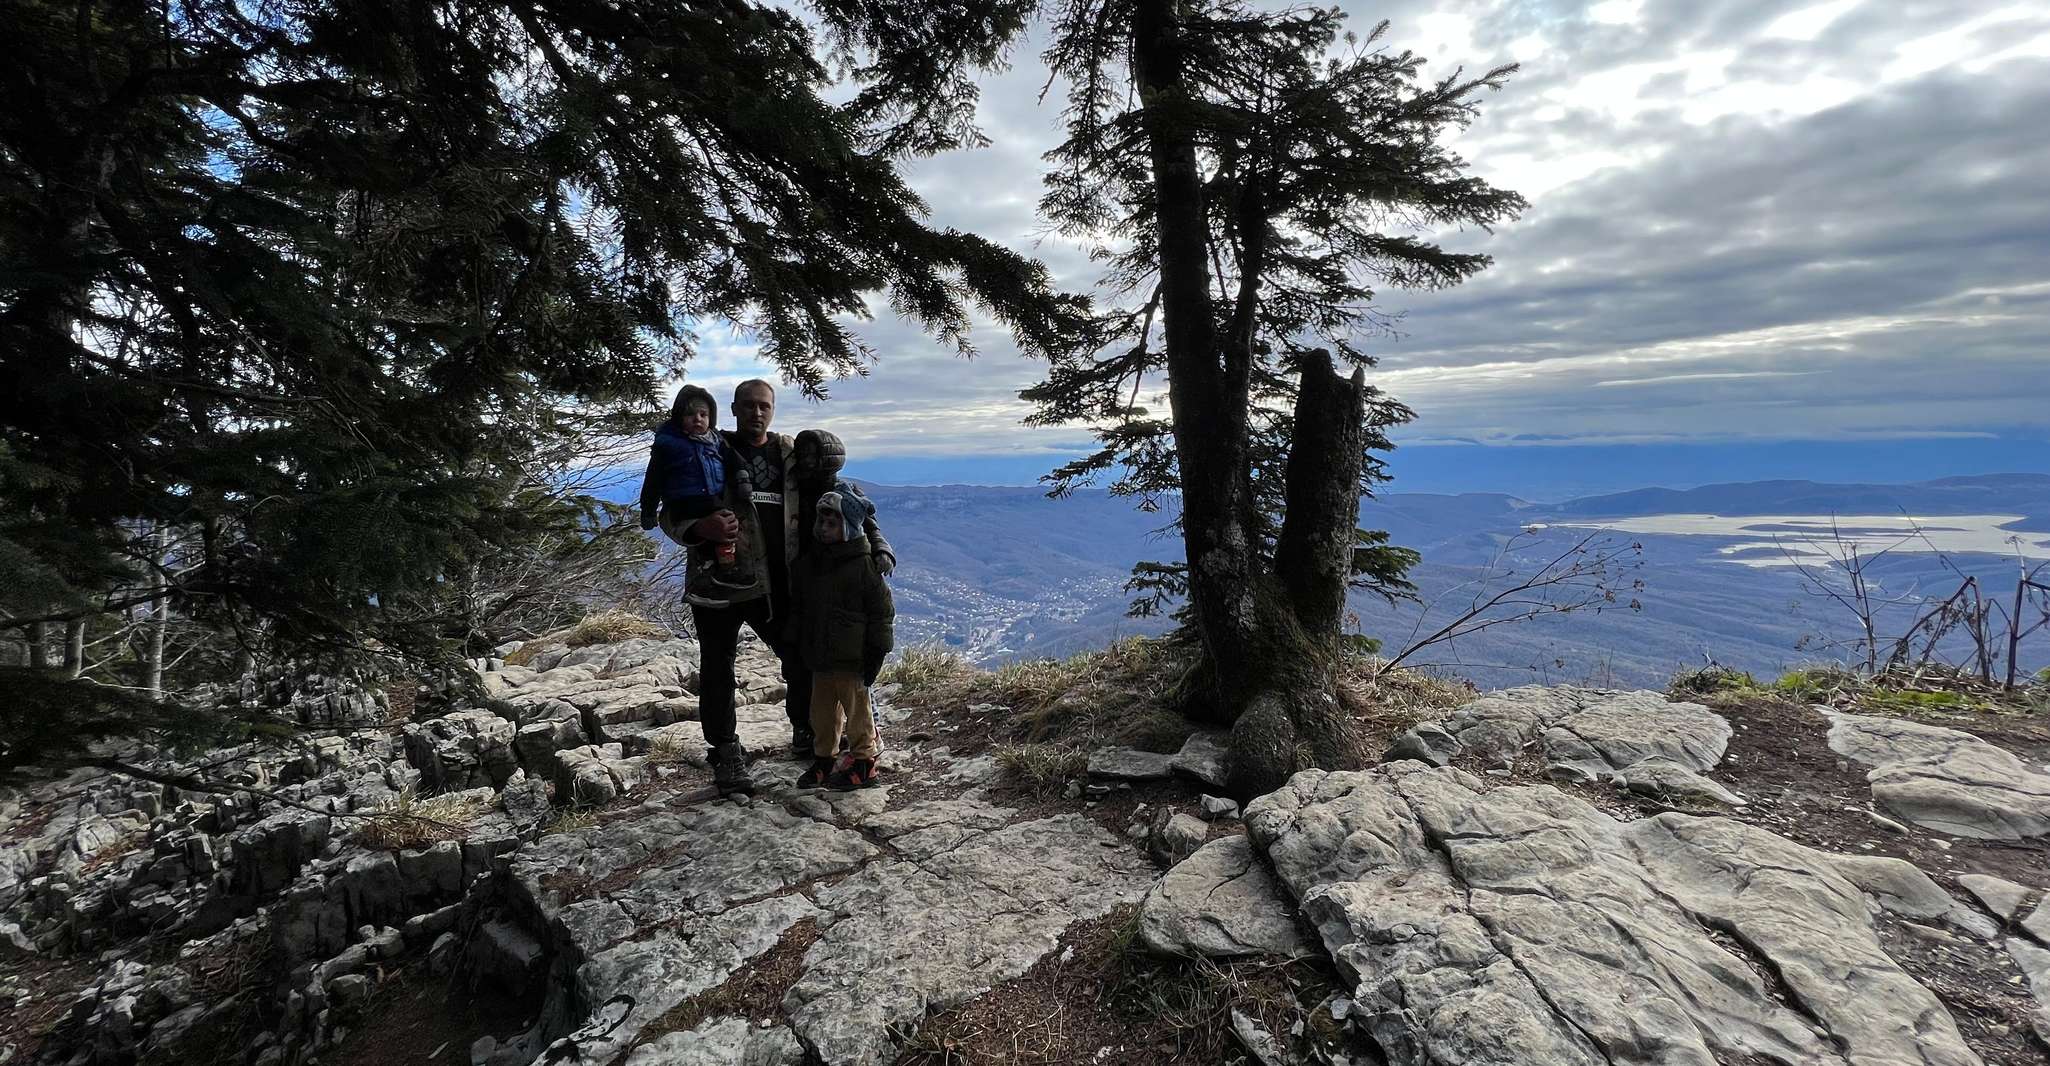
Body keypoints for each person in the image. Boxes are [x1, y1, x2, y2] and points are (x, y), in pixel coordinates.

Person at [680, 380, 894, 794]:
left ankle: (809, 734)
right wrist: (695, 528)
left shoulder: (792, 456)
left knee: (800, 657)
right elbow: (675, 506)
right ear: (734, 409)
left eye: (763, 406)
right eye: (747, 406)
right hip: (717, 583)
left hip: (779, 582)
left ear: (773, 409)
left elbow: (848, 499)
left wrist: (878, 545)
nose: (756, 413)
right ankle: (725, 753)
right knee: (717, 670)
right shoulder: (708, 452)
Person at [790, 489, 894, 790]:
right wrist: (795, 638)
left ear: (849, 526)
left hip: (853, 660)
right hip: (820, 659)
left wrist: (877, 652)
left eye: (832, 523)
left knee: (859, 717)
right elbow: (801, 605)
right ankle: (824, 760)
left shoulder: (864, 566)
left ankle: (864, 764)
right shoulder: (812, 563)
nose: (823, 528)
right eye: (821, 522)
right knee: (821, 716)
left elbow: (881, 613)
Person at [636, 385, 757, 601]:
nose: (697, 419)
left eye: (703, 414)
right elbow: (653, 480)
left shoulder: (717, 441)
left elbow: (733, 461)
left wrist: (742, 479)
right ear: (679, 418)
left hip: (711, 499)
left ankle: (727, 569)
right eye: (690, 414)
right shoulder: (669, 445)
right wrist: (648, 510)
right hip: (685, 501)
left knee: (725, 530)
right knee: (723, 526)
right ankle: (719, 572)